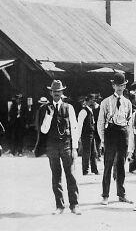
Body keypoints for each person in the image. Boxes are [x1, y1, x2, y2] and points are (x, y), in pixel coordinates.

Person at [40, 80, 81, 215]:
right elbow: (44, 130)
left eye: (59, 91)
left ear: (62, 92)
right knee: (56, 176)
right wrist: (49, 116)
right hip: (52, 146)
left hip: (66, 145)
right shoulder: (46, 108)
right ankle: (60, 206)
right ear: (51, 93)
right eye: (54, 91)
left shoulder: (69, 107)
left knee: (71, 175)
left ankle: (74, 205)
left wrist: (74, 148)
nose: (56, 93)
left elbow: (74, 128)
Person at [97, 73, 134, 206]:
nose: (120, 88)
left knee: (121, 166)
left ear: (125, 86)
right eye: (117, 85)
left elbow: (129, 122)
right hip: (110, 133)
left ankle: (121, 194)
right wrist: (103, 140)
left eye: (122, 85)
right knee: (108, 165)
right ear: (113, 85)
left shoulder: (128, 103)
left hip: (123, 133)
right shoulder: (106, 102)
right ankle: (105, 195)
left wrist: (129, 141)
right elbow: (100, 123)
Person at [77, 95, 99, 175]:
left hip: (91, 134)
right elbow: (79, 125)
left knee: (93, 152)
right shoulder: (83, 111)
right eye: (92, 100)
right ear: (88, 101)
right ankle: (85, 170)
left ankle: (94, 170)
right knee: (86, 153)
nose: (94, 102)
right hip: (86, 135)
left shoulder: (90, 111)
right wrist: (78, 137)